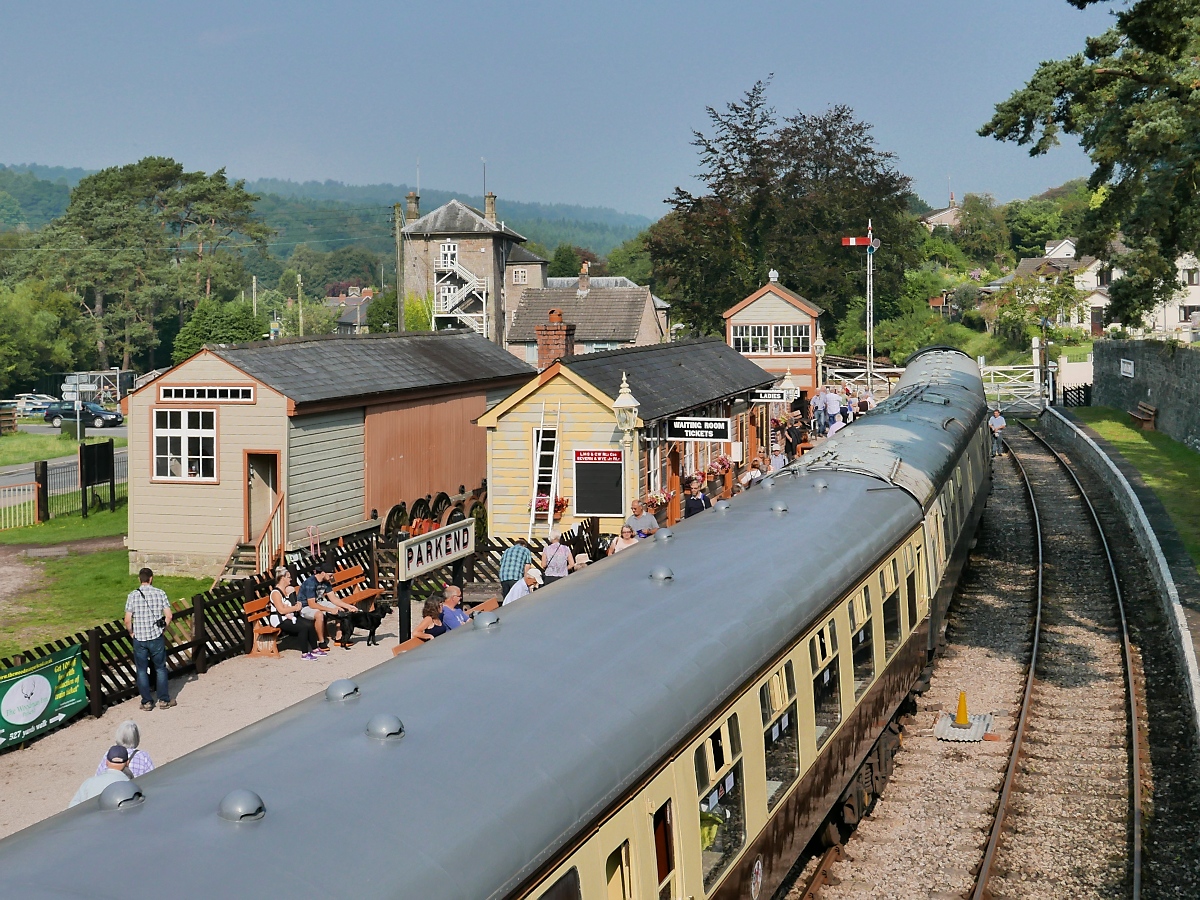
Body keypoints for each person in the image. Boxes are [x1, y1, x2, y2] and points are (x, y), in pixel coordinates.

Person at [124, 568, 175, 712]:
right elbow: (169, 615)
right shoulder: (160, 593)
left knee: (141, 670)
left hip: (140, 638)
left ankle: (147, 702)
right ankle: (164, 700)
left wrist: (131, 632)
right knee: (160, 668)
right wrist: (163, 629)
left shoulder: (132, 596)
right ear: (151, 578)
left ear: (139, 579)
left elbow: (127, 620)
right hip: (156, 636)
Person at [299, 566, 359, 649]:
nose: (331, 578)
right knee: (319, 615)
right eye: (330, 575)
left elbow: (333, 598)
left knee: (340, 610)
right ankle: (321, 642)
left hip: (319, 602)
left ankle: (339, 637)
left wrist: (348, 606)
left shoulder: (326, 582)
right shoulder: (310, 583)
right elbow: (312, 604)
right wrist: (330, 609)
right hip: (305, 606)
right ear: (323, 573)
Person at [269, 567, 323, 659]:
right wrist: (295, 608)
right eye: (289, 577)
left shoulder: (287, 590)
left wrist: (296, 602)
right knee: (302, 627)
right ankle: (305, 653)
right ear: (282, 578)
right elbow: (281, 610)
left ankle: (315, 649)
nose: (291, 579)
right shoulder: (275, 593)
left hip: (289, 616)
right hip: (279, 619)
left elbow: (293, 604)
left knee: (309, 624)